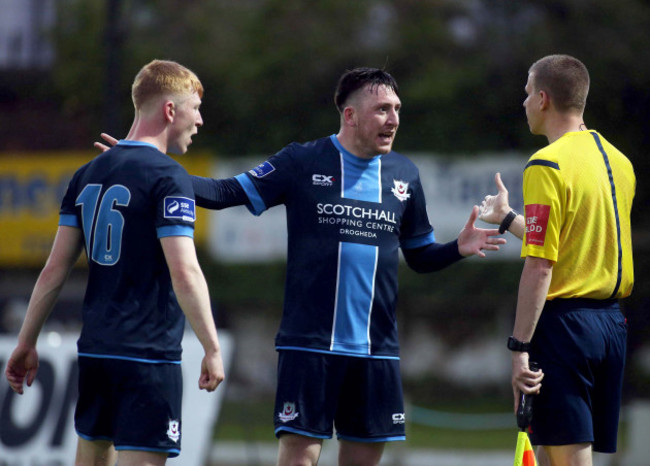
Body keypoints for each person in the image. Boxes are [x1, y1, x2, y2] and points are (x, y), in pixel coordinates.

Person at [98, 67, 506, 466]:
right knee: (298, 459)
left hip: (376, 350)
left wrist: (458, 248)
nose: (394, 119)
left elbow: (420, 256)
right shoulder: (302, 161)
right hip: (308, 346)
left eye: (397, 108)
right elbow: (224, 192)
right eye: (382, 109)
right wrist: (150, 167)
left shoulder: (405, 175)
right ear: (350, 115)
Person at [5, 59, 225, 465]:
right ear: (170, 110)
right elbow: (184, 270)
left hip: (96, 353)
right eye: (195, 108)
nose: (200, 120)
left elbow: (54, 270)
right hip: (147, 356)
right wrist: (212, 346)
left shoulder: (87, 174)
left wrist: (25, 342)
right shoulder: (169, 176)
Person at [479, 55, 635, 466]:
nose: (524, 101)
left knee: (568, 456)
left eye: (528, 92)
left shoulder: (546, 163)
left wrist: (518, 349)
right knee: (556, 453)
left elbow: (541, 266)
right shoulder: (620, 162)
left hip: (566, 329)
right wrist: (508, 219)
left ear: (544, 98)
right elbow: (565, 247)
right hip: (612, 325)